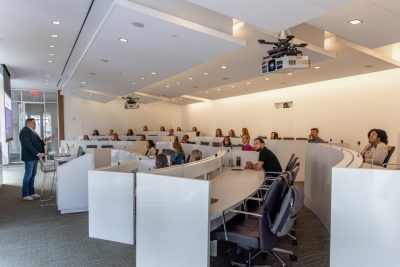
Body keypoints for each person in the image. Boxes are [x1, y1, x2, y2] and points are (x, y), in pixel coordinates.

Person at [19, 118, 46, 201]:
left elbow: (37, 142)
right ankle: (25, 194)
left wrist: (45, 140)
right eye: (34, 123)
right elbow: (28, 145)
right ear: (28, 123)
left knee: (33, 175)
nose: (35, 124)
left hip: (34, 156)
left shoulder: (32, 131)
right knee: (28, 175)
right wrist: (38, 153)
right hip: (29, 157)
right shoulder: (24, 131)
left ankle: (31, 192)